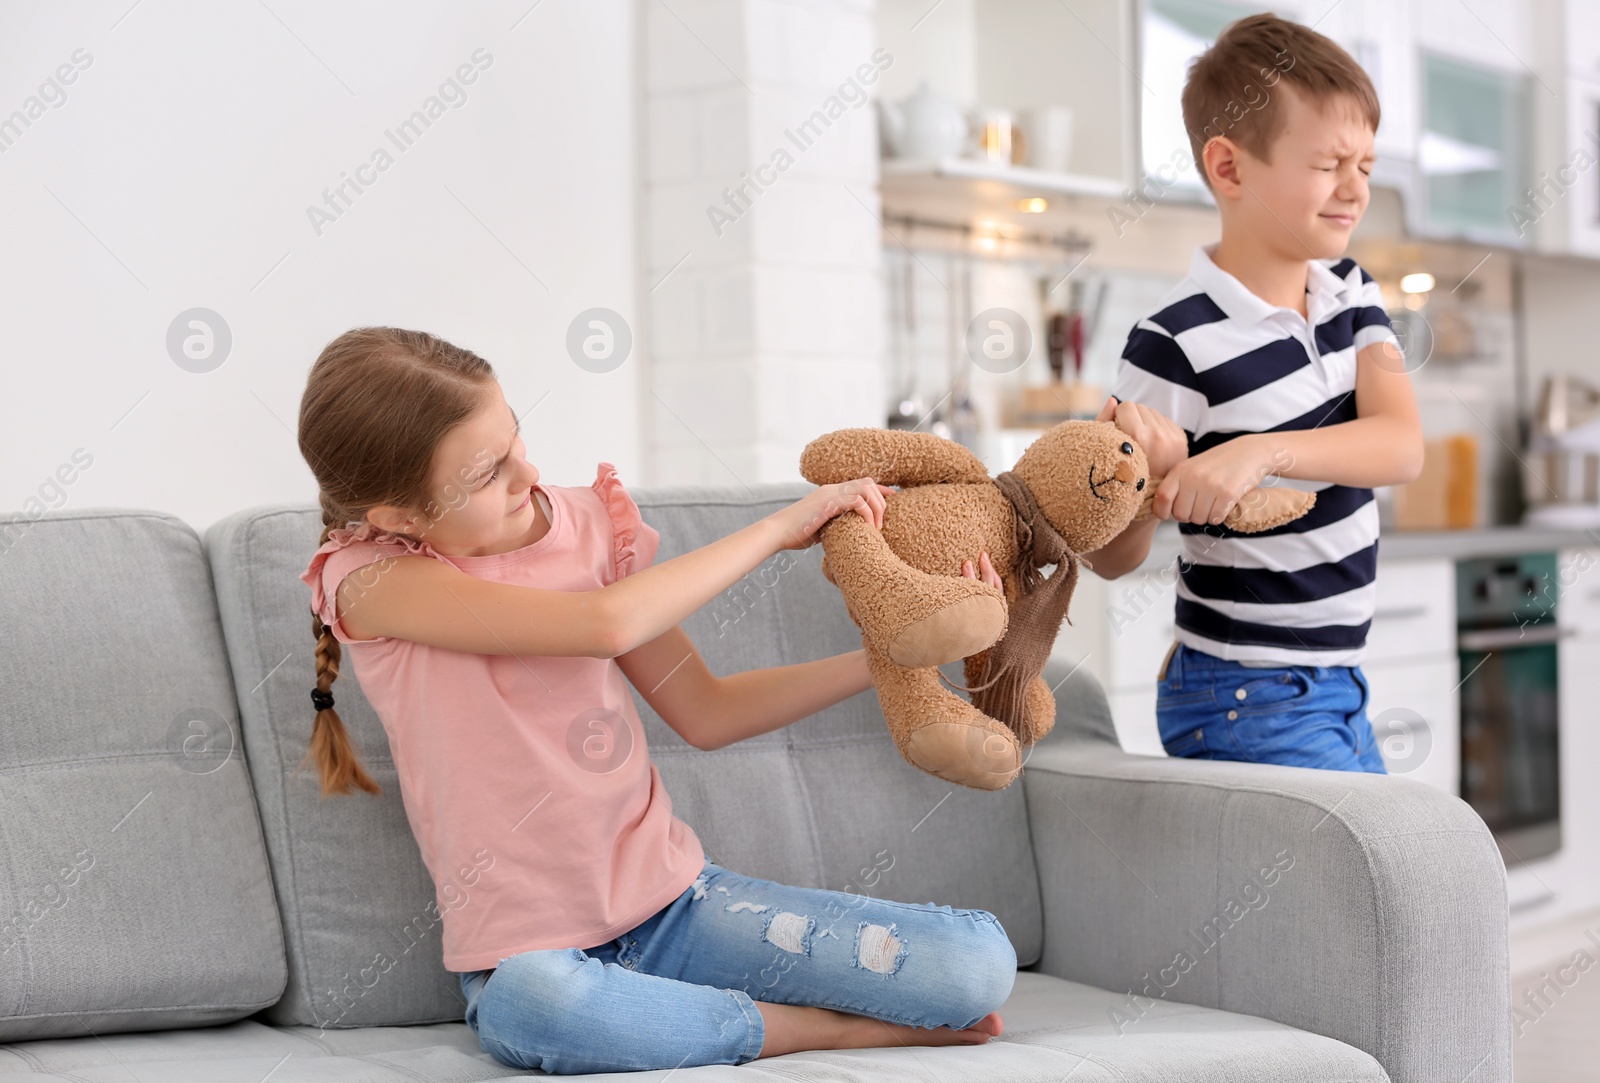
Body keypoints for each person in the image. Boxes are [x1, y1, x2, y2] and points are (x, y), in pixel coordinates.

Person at [293, 326, 1016, 1074]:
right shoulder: (369, 578)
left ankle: (694, 1018)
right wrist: (775, 528)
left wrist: (887, 657)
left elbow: (707, 710)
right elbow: (602, 624)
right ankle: (818, 1030)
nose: (528, 473)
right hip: (534, 956)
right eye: (487, 474)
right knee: (532, 1006)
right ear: (397, 517)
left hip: (680, 910)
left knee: (975, 967)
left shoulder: (589, 527)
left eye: (516, 439)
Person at [1083, 14, 1424, 773]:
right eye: (1331, 162)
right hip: (1242, 690)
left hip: (1338, 682)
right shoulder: (1173, 342)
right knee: (1356, 888)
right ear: (1230, 169)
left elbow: (1400, 446)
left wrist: (1257, 452)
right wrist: (1147, 480)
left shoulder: (1352, 295)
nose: (1355, 189)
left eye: (1366, 165)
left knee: (1378, 883)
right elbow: (1109, 557)